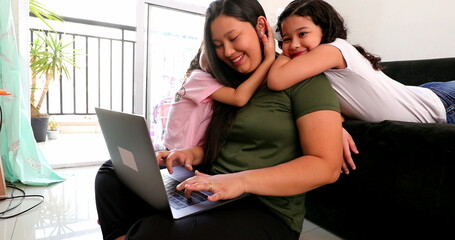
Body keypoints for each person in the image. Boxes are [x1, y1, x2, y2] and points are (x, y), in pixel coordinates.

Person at [95, 0, 349, 239]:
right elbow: (231, 144)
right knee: (112, 172)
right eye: (217, 44)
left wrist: (239, 181)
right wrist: (192, 154)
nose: (227, 52)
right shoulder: (230, 82)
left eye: (233, 37)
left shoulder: (303, 80)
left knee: (154, 231)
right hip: (210, 186)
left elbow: (326, 167)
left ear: (261, 27)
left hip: (265, 209)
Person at [267, 0, 455, 124]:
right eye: (287, 39)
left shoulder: (331, 50)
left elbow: (276, 80)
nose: (294, 45)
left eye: (302, 34)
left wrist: (274, 50)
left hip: (443, 105)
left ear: (325, 30)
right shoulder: (312, 67)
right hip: (429, 96)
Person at [164, 37, 275, 151]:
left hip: (183, 150)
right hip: (178, 150)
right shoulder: (198, 77)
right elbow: (239, 98)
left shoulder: (214, 83)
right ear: (200, 51)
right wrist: (269, 60)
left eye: (218, 57)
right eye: (208, 51)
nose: (212, 59)